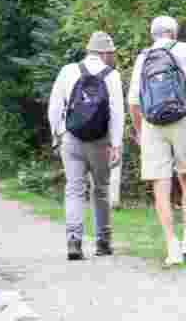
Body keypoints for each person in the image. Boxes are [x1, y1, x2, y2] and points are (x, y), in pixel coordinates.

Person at [129, 16, 186, 266]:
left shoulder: (143, 57)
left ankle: (172, 246)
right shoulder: (185, 50)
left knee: (161, 183)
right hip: (184, 115)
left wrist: (139, 131)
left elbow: (133, 101)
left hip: (152, 123)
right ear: (174, 34)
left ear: (153, 35)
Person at [48, 31, 125, 260]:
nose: (111, 57)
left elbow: (54, 105)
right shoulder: (112, 75)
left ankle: (74, 240)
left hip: (71, 138)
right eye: (110, 53)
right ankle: (103, 241)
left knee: (74, 189)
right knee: (100, 190)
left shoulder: (68, 71)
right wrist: (116, 144)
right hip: (100, 142)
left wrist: (58, 132)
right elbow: (117, 113)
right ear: (103, 53)